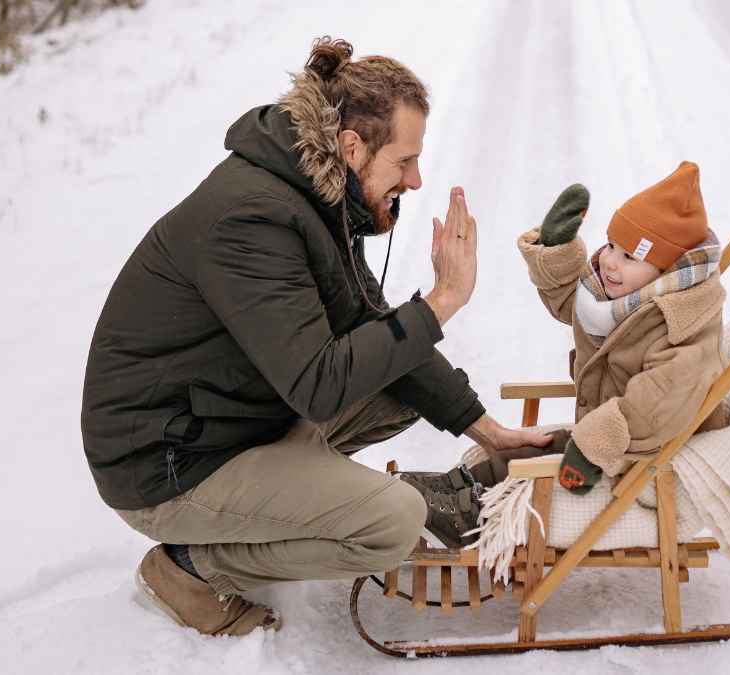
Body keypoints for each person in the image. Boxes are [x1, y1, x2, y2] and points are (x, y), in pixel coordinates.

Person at [79, 37, 551, 637]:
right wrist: (441, 302)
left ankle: (299, 494)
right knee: (392, 525)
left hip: (229, 419)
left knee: (396, 382)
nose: (416, 177)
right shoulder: (253, 218)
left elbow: (368, 326)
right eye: (403, 161)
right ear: (352, 147)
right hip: (166, 463)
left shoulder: (318, 193)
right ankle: (187, 567)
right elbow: (317, 387)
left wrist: (488, 432)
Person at [401, 162, 730, 547]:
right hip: (606, 436)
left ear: (666, 271)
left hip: (638, 455)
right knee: (530, 448)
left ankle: (468, 514)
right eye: (611, 246)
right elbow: (576, 309)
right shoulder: (633, 300)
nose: (609, 261)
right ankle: (454, 489)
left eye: (629, 257)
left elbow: (653, 408)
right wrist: (557, 252)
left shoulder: (682, 330)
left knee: (539, 461)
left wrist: (590, 451)